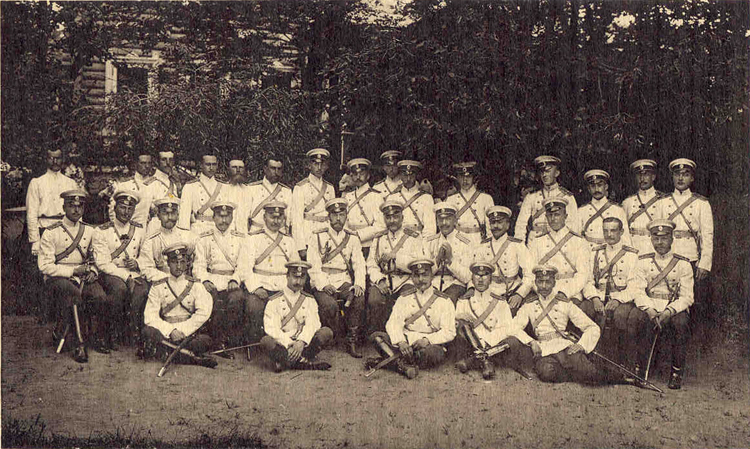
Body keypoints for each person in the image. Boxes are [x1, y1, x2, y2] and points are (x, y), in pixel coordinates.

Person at [38, 190, 111, 361]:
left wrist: (93, 271)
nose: (76, 210)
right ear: (64, 207)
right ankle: (80, 343)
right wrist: (72, 271)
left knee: (100, 297)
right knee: (74, 295)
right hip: (58, 277)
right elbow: (45, 266)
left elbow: (98, 257)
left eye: (80, 206)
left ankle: (96, 337)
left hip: (83, 275)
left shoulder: (90, 231)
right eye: (72, 206)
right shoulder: (51, 232)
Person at [627, 219, 693, 389]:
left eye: (664, 238)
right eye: (656, 238)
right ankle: (638, 368)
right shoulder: (642, 261)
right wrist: (649, 309)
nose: (660, 242)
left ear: (672, 238)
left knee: (681, 323)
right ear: (651, 239)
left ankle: (676, 372)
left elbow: (687, 297)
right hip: (649, 305)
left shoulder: (683, 264)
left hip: (672, 308)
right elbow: (637, 291)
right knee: (635, 317)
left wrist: (669, 312)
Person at [367, 259, 456, 379]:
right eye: (416, 275)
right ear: (412, 277)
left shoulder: (444, 301)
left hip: (428, 345)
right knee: (376, 336)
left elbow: (449, 332)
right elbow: (393, 323)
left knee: (435, 354)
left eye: (425, 275)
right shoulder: (404, 298)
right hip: (406, 340)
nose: (421, 279)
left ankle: (392, 360)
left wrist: (427, 340)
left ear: (431, 276)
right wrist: (401, 342)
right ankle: (404, 366)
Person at [513, 265, 602, 384]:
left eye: (548, 282)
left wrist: (581, 345)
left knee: (588, 371)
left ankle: (621, 378)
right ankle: (574, 374)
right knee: (547, 372)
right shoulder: (529, 305)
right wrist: (531, 342)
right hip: (544, 348)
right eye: (540, 282)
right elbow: (513, 327)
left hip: (564, 345)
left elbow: (592, 327)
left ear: (554, 283)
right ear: (535, 282)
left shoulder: (565, 303)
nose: (544, 286)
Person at [140, 243, 217, 368]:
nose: (179, 266)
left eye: (182, 262)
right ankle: (189, 357)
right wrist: (171, 331)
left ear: (187, 263)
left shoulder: (196, 286)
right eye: (175, 262)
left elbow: (203, 313)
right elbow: (150, 316)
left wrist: (182, 330)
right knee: (147, 332)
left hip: (186, 333)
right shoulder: (157, 286)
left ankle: (166, 352)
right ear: (168, 263)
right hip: (165, 332)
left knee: (205, 340)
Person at [454, 261, 534, 379]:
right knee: (461, 325)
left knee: (513, 341)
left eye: (485, 275)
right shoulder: (464, 301)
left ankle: (474, 359)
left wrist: (531, 341)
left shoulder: (500, 302)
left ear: (491, 279)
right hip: (472, 340)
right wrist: (457, 316)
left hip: (494, 339)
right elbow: (454, 327)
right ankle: (486, 361)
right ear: (472, 278)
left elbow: (509, 327)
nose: (481, 279)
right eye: (477, 275)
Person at [308, 198, 367, 358]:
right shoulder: (317, 236)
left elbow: (359, 264)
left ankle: (351, 340)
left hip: (343, 279)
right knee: (329, 305)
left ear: (346, 216)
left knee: (358, 298)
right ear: (328, 216)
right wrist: (324, 284)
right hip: (323, 279)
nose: (338, 218)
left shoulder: (352, 238)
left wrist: (359, 284)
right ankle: (332, 336)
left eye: (342, 214)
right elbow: (313, 265)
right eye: (334, 215)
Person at [92, 190, 148, 346]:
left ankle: (131, 332)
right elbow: (102, 262)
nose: (126, 212)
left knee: (142, 291)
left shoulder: (140, 229)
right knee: (119, 290)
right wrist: (125, 276)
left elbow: (146, 254)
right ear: (115, 208)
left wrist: (138, 263)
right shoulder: (102, 231)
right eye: (122, 207)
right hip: (111, 272)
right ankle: (109, 333)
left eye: (130, 208)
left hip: (134, 273)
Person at [192, 201, 250, 352]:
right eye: (220, 216)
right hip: (212, 279)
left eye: (227, 216)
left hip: (231, 280)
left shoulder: (241, 238)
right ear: (213, 217)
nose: (223, 220)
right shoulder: (204, 238)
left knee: (236, 298)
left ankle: (229, 340)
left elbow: (244, 265)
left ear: (232, 217)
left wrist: (235, 279)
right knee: (210, 297)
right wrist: (204, 280)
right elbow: (198, 265)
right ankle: (215, 340)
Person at [581, 217, 638, 362]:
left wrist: (618, 299)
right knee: (583, 310)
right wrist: (594, 298)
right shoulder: (595, 252)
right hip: (598, 295)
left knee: (620, 316)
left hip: (622, 298)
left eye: (613, 230)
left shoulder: (632, 255)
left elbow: (634, 287)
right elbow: (587, 280)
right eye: (606, 231)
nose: (609, 235)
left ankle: (621, 361)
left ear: (622, 232)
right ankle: (586, 357)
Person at [238, 201, 297, 343]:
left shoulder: (289, 241)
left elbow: (295, 268)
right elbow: (244, 268)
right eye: (272, 217)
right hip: (260, 285)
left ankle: (285, 341)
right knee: (254, 307)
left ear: (283, 219)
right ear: (264, 217)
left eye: (279, 218)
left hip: (283, 287)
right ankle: (258, 342)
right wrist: (256, 288)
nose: (276, 221)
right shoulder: (252, 238)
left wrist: (289, 288)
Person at [260, 260, 333, 372]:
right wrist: (290, 344)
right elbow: (272, 328)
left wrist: (301, 342)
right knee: (266, 341)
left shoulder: (310, 300)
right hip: (284, 344)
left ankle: (286, 362)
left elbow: (313, 324)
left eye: (302, 278)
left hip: (303, 345)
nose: (298, 281)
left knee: (326, 332)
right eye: (295, 277)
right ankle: (302, 362)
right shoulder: (274, 301)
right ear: (287, 276)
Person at [365, 200, 423, 334]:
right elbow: (371, 264)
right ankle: (378, 335)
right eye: (388, 217)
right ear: (384, 219)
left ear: (402, 217)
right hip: (384, 279)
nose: (392, 220)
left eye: (395, 217)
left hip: (405, 280)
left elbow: (418, 264)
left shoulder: (413, 237)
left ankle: (403, 334)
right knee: (374, 299)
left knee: (407, 300)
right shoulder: (379, 238)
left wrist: (396, 258)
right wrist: (380, 280)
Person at [527, 198, 591, 306]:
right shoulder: (536, 241)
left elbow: (583, 274)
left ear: (565, 216)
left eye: (557, 214)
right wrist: (542, 290)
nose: (553, 219)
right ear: (546, 217)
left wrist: (566, 292)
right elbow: (530, 272)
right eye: (550, 215)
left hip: (570, 292)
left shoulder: (579, 241)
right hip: (543, 290)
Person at [477, 206, 534, 314]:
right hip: (490, 292)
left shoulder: (517, 245)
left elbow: (530, 273)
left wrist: (520, 294)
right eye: (493, 223)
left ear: (507, 225)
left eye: (500, 222)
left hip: (512, 291)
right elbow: (474, 273)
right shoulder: (483, 246)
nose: (496, 226)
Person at [26, 149, 79, 257]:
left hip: (66, 229)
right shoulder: (37, 183)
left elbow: (77, 212)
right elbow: (31, 214)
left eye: (58, 158)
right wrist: (35, 240)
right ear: (46, 160)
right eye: (51, 158)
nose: (55, 161)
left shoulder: (71, 183)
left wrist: (78, 234)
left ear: (62, 159)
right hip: (45, 229)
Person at [515, 155, 578, 244]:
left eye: (548, 171)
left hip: (557, 242)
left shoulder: (567, 197)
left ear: (556, 173)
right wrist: (520, 247)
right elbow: (521, 224)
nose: (544, 175)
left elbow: (573, 225)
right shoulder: (532, 196)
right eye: (542, 172)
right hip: (534, 241)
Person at [423, 203, 472, 304]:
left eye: (448, 219)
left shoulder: (465, 242)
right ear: (436, 221)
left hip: (456, 284)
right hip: (433, 283)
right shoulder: (429, 242)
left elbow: (467, 277)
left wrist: (450, 261)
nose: (444, 223)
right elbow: (423, 273)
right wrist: (437, 260)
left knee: (447, 301)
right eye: (440, 219)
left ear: (455, 220)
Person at [138, 197, 195, 283]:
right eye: (165, 213)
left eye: (173, 213)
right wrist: (169, 278)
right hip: (163, 284)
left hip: (187, 284)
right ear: (158, 215)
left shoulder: (189, 236)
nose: (170, 217)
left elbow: (199, 264)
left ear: (178, 215)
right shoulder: (151, 241)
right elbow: (146, 268)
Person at [291, 148, 335, 259]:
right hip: (308, 233)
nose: (319, 168)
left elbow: (332, 216)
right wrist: (300, 246)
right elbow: (296, 219)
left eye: (322, 164)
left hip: (326, 233)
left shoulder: (330, 187)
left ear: (326, 166)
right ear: (309, 165)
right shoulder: (300, 187)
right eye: (315, 164)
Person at [578, 169, 631, 251]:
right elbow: (577, 237)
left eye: (599, 185)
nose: (596, 189)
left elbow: (625, 236)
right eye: (593, 186)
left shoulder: (617, 209)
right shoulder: (581, 211)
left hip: (610, 250)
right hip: (588, 251)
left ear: (606, 187)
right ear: (588, 189)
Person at [343, 158, 385, 258]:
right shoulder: (348, 197)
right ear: (351, 176)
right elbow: (343, 221)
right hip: (349, 244)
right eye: (355, 174)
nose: (358, 177)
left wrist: (359, 234)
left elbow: (381, 226)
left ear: (368, 176)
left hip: (368, 245)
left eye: (362, 173)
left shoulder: (376, 196)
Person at [178, 154, 228, 235]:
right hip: (198, 230)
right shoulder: (190, 187)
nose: (211, 168)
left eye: (214, 164)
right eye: (208, 164)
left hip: (219, 230)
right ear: (201, 165)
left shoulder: (224, 187)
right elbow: (184, 217)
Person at [445, 161, 494, 245]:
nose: (465, 180)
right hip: (457, 242)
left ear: (473, 178)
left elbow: (490, 228)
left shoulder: (485, 198)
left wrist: (489, 247)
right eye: (461, 177)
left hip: (478, 241)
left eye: (468, 176)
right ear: (457, 178)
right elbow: (448, 227)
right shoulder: (450, 199)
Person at [622, 159, 664, 254]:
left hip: (654, 248)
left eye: (646, 175)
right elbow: (623, 231)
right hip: (633, 248)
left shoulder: (663, 200)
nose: (642, 178)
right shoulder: (627, 202)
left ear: (653, 177)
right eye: (639, 175)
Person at [386, 160, 436, 238]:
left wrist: (424, 246)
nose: (408, 179)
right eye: (405, 175)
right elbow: (388, 225)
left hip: (418, 240)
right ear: (400, 176)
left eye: (411, 175)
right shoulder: (392, 197)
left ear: (416, 176)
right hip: (398, 240)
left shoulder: (426, 198)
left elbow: (430, 228)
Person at [243, 157, 292, 235]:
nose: (276, 172)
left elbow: (289, 218)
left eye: (279, 169)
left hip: (279, 235)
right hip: (257, 233)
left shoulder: (287, 191)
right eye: (273, 168)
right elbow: (244, 216)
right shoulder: (251, 189)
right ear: (265, 169)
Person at [109, 153, 157, 228]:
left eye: (149, 163)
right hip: (128, 231)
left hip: (150, 231)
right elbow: (113, 211)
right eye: (143, 163)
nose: (147, 166)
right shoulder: (124, 185)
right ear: (135, 164)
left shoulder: (157, 184)